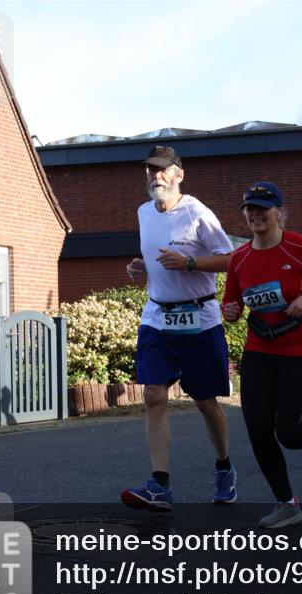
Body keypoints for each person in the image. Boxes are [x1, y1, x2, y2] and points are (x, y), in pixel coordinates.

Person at [222, 181, 302, 528]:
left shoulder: (300, 247)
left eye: (262, 207)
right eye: (249, 208)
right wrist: (230, 311)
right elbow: (231, 300)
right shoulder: (240, 258)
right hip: (259, 350)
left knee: (290, 434)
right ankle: (287, 504)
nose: (255, 213)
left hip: (299, 351)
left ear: (280, 212)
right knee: (257, 429)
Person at [121, 146, 236, 511]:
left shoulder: (197, 213)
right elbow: (156, 258)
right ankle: (160, 484)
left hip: (199, 319)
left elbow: (232, 258)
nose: (155, 176)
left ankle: (224, 466)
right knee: (154, 394)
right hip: (157, 316)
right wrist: (141, 268)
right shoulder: (143, 213)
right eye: (150, 170)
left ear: (178, 175)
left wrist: (190, 262)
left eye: (162, 170)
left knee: (205, 401)